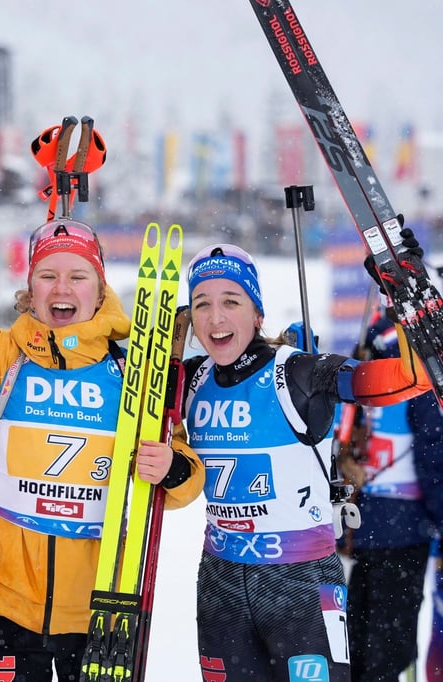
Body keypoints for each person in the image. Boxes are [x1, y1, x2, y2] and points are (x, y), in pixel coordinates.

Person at [0, 179, 204, 678]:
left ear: (100, 288)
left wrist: (172, 468)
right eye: (47, 275)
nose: (62, 288)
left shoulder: (131, 370)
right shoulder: (1, 359)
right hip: (4, 596)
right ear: (30, 288)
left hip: (101, 599)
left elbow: (184, 471)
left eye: (78, 276)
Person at [181, 243, 432, 681]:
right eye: (202, 304)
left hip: (299, 580)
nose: (216, 317)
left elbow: (410, 378)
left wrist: (405, 297)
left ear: (257, 314)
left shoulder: (299, 372)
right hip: (220, 582)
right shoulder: (191, 379)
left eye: (231, 302)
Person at [342, 314, 443, 681]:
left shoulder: (368, 360)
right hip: (403, 529)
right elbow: (433, 455)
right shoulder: (420, 371)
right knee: (389, 648)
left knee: (360, 640)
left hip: (363, 523)